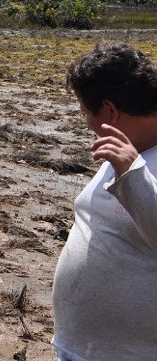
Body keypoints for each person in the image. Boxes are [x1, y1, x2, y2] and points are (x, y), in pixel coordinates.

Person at [53, 43, 157, 360]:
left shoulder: (132, 162)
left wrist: (132, 172)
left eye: (86, 113)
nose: (87, 123)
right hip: (79, 348)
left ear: (110, 111)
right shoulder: (128, 150)